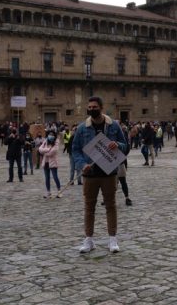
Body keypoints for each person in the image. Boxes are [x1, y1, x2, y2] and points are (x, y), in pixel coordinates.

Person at [72, 96, 129, 254]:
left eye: (94, 107)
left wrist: (118, 145)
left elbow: (126, 147)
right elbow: (75, 150)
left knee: (110, 205)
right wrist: (82, 165)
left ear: (101, 108)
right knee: (89, 207)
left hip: (109, 173)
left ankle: (112, 239)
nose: (91, 109)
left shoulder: (113, 126)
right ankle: (89, 240)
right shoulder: (83, 128)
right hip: (90, 174)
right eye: (89, 107)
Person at [38, 131, 61, 198]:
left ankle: (59, 191)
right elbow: (40, 149)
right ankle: (48, 192)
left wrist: (44, 151)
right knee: (47, 178)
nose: (50, 136)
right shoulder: (45, 141)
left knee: (55, 177)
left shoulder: (56, 142)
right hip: (46, 162)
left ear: (54, 136)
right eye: (49, 134)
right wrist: (48, 149)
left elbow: (53, 152)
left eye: (52, 134)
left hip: (53, 162)